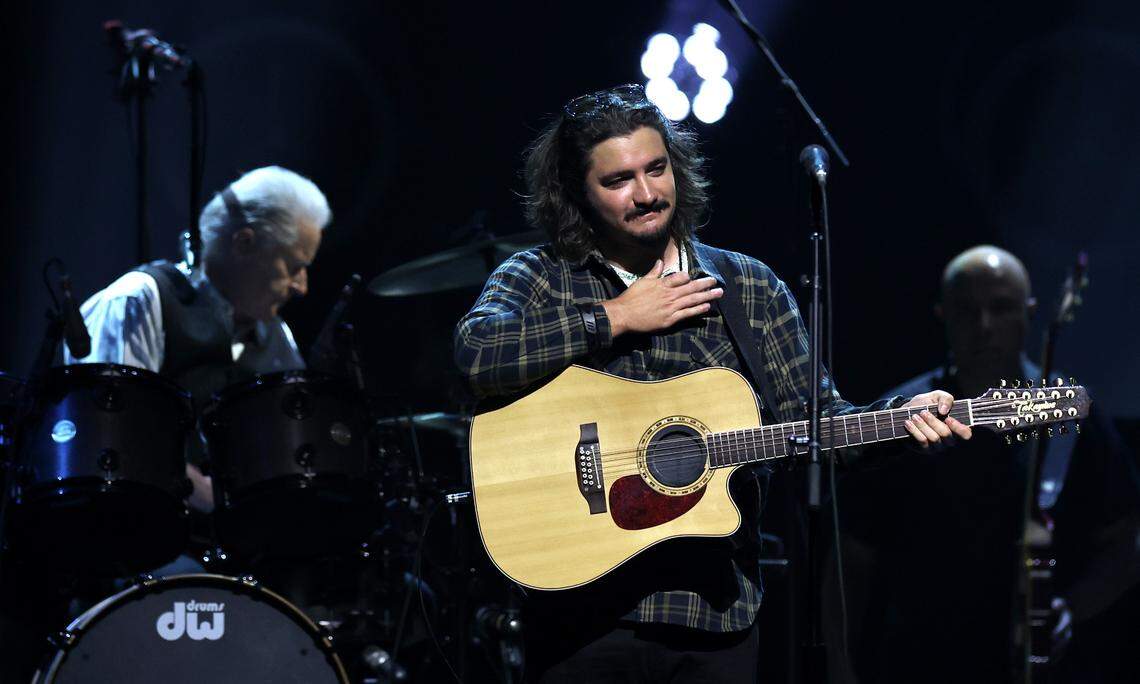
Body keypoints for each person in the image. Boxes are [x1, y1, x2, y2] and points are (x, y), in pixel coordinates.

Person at [453, 84, 971, 682]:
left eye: (656, 169)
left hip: (710, 615)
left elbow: (824, 425)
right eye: (618, 180)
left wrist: (903, 418)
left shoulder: (746, 288)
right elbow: (475, 355)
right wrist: (617, 317)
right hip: (579, 616)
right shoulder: (542, 276)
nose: (647, 194)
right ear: (575, 191)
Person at [827, 245, 1140, 683]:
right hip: (917, 665)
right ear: (942, 314)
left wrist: (1072, 607)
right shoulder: (899, 421)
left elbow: (1125, 542)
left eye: (1001, 308)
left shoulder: (1070, 413)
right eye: (966, 310)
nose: (984, 326)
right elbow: (851, 563)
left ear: (1029, 313)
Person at [63, 165, 331, 512]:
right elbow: (111, 442)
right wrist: (212, 499)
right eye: (294, 266)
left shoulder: (277, 339)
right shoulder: (138, 300)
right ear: (244, 243)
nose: (302, 287)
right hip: (137, 535)